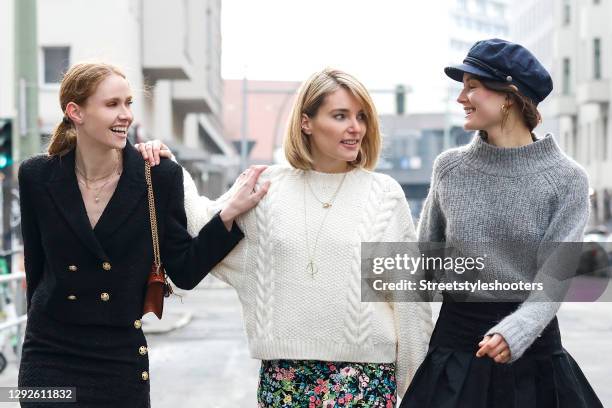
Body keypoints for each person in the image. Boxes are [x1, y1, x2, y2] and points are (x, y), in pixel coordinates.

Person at [141, 68, 433, 407]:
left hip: (366, 384)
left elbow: (409, 301)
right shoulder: (266, 186)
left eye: (361, 116)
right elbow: (200, 225)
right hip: (286, 383)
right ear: (306, 122)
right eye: (340, 116)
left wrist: (418, 391)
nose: (356, 127)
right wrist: (168, 165)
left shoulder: (384, 194)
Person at [17, 62, 268, 407]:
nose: (126, 115)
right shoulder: (36, 176)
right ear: (75, 112)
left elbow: (185, 270)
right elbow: (36, 268)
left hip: (118, 359)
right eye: (112, 104)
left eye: (129, 103)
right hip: (48, 353)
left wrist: (227, 215)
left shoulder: (157, 177)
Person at [400, 39, 603, 408]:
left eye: (471, 86)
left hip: (533, 358)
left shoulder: (568, 179)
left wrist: (516, 332)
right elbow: (424, 269)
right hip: (455, 356)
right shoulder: (449, 169)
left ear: (509, 96)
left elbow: (553, 282)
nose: (461, 97)